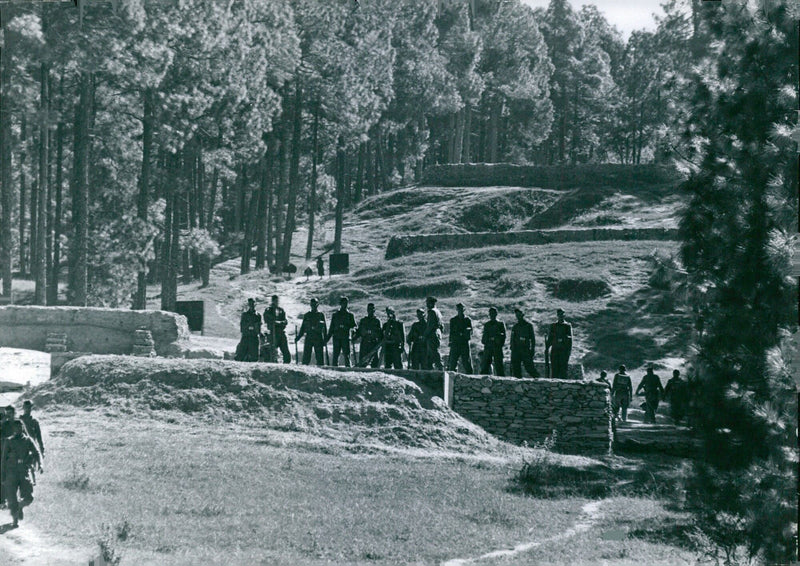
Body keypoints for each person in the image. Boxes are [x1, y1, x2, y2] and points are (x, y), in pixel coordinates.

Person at [3, 420, 41, 527]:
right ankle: (15, 521)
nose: (17, 429)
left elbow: (37, 452)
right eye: (15, 428)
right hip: (11, 472)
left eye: (19, 427)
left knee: (29, 497)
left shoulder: (28, 440)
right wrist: (2, 476)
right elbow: (3, 460)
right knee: (12, 497)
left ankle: (20, 507)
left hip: (24, 471)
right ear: (13, 429)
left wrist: (40, 465)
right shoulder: (8, 441)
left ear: (22, 428)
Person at [327, 297, 357, 367]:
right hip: (337, 338)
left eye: (346, 303)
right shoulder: (335, 315)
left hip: (346, 338)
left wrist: (353, 330)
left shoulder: (350, 315)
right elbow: (331, 328)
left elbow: (355, 326)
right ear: (340, 304)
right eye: (343, 303)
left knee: (347, 355)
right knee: (335, 355)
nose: (345, 304)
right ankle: (334, 369)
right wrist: (327, 338)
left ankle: (348, 369)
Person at [296, 298, 327, 365]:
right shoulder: (307, 315)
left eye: (315, 304)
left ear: (317, 304)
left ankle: (320, 371)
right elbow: (303, 328)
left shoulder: (321, 315)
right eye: (312, 304)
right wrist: (298, 337)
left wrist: (325, 340)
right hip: (309, 337)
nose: (313, 305)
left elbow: (325, 329)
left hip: (318, 338)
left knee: (319, 358)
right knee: (306, 357)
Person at [510, 308, 538, 378]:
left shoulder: (528, 326)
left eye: (519, 314)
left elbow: (533, 339)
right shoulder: (515, 327)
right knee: (516, 369)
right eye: (516, 315)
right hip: (516, 350)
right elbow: (512, 339)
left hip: (525, 350)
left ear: (523, 315)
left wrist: (532, 349)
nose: (518, 316)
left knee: (530, 368)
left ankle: (538, 381)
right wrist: (512, 349)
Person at [545, 308, 572, 379]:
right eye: (559, 314)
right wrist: (547, 348)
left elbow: (570, 340)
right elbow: (550, 338)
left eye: (562, 314)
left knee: (563, 369)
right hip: (555, 350)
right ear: (557, 315)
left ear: (564, 315)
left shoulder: (567, 326)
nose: (561, 316)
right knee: (554, 369)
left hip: (564, 351)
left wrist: (569, 351)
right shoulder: (553, 326)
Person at [263, 295, 291, 364]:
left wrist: (279, 323)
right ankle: (273, 364)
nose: (276, 302)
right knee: (273, 350)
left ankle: (287, 365)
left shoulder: (281, 310)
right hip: (273, 333)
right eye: (274, 300)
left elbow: (285, 321)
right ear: (272, 301)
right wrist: (278, 323)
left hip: (281, 332)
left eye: (277, 300)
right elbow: (269, 321)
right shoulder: (268, 310)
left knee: (285, 350)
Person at [447, 303, 473, 374]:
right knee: (453, 362)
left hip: (464, 342)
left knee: (466, 361)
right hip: (455, 342)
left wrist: (466, 331)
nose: (460, 310)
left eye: (462, 309)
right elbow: (451, 332)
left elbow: (471, 331)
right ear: (457, 309)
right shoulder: (453, 320)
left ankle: (470, 376)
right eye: (459, 309)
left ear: (464, 309)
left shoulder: (467, 320)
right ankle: (451, 377)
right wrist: (450, 341)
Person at [480, 307, 506, 376]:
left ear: (496, 314)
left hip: (497, 347)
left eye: (493, 313)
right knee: (485, 364)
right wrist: (488, 340)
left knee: (499, 365)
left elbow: (503, 336)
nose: (492, 315)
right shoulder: (487, 325)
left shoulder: (500, 324)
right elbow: (484, 337)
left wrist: (498, 341)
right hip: (488, 346)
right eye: (490, 314)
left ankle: (501, 380)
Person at [356, 303, 383, 368]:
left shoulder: (377, 321)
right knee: (362, 363)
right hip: (364, 344)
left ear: (374, 310)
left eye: (372, 309)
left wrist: (379, 344)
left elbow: (380, 334)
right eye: (369, 309)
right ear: (367, 310)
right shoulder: (363, 321)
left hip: (373, 344)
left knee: (375, 363)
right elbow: (358, 332)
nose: (370, 310)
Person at [422, 297, 444, 370]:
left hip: (432, 334)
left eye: (427, 303)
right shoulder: (438, 312)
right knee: (430, 354)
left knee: (434, 352)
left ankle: (440, 367)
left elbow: (430, 326)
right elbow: (442, 326)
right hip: (437, 333)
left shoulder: (432, 312)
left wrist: (424, 335)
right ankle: (430, 369)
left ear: (431, 303)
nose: (426, 304)